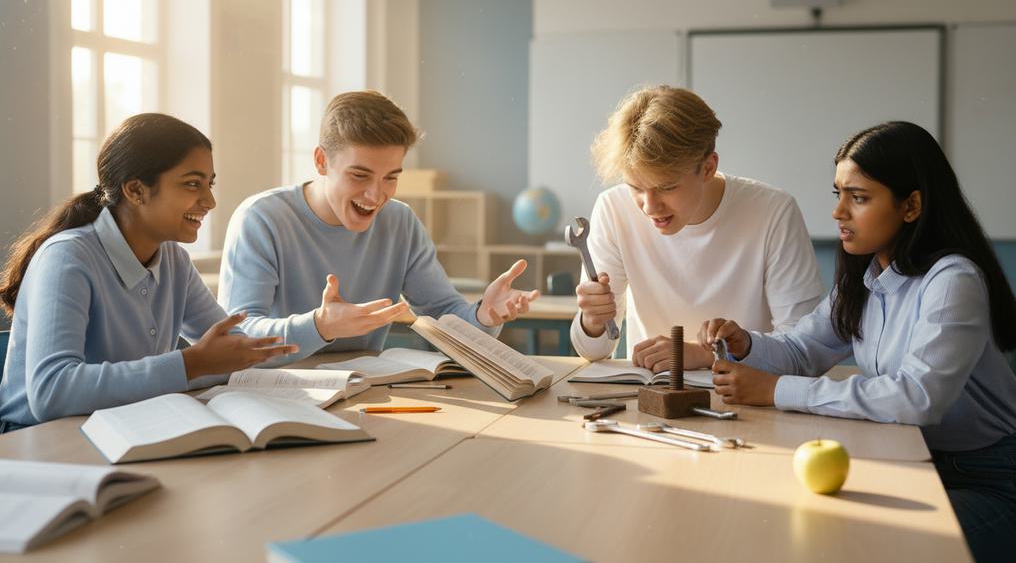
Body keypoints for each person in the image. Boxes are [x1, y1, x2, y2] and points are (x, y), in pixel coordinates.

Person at [702, 121, 1016, 561]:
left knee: (877, 545)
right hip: (911, 460)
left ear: (911, 206)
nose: (838, 212)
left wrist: (775, 391)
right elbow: (800, 350)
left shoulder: (952, 281)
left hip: (989, 478)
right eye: (839, 194)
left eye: (859, 197)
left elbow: (918, 397)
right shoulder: (868, 277)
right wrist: (745, 344)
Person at [0, 113, 296, 431]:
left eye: (209, 184)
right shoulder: (67, 259)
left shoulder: (173, 260)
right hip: (36, 443)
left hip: (126, 427)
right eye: (192, 184)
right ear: (136, 190)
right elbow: (52, 392)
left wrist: (311, 332)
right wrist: (192, 363)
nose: (210, 201)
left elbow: (229, 349)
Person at [219, 90, 539, 365]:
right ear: (321, 161)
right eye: (359, 175)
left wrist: (483, 315)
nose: (376, 195)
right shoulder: (261, 219)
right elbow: (237, 337)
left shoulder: (400, 223)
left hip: (363, 394)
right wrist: (320, 326)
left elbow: (444, 313)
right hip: (272, 399)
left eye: (391, 177)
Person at [572, 85, 824, 370]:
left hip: (749, 400)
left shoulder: (774, 212)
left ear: (707, 167)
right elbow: (594, 353)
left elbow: (806, 352)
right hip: (652, 397)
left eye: (667, 187)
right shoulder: (613, 208)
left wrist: (709, 356)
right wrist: (591, 322)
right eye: (635, 187)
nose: (649, 206)